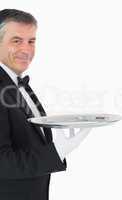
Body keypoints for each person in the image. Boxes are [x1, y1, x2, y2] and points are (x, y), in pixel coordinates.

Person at [0, 9, 92, 200]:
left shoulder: (16, 82)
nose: (26, 50)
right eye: (16, 41)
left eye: (31, 41)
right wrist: (57, 151)